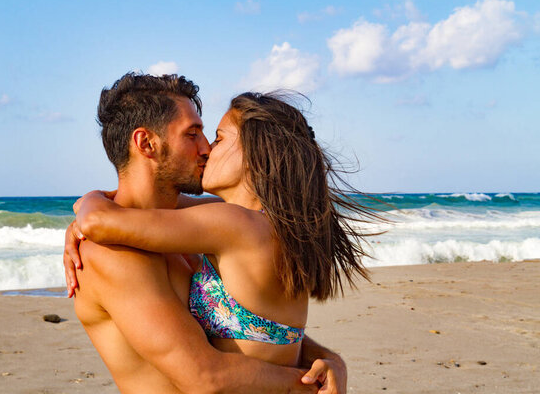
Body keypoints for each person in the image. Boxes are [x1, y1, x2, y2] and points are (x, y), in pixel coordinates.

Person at [63, 72, 346, 394]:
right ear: (147, 144)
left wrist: (327, 358)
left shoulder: (199, 233)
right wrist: (91, 207)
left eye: (214, 137)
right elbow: (204, 376)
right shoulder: (113, 253)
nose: (206, 148)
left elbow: (254, 327)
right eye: (193, 134)